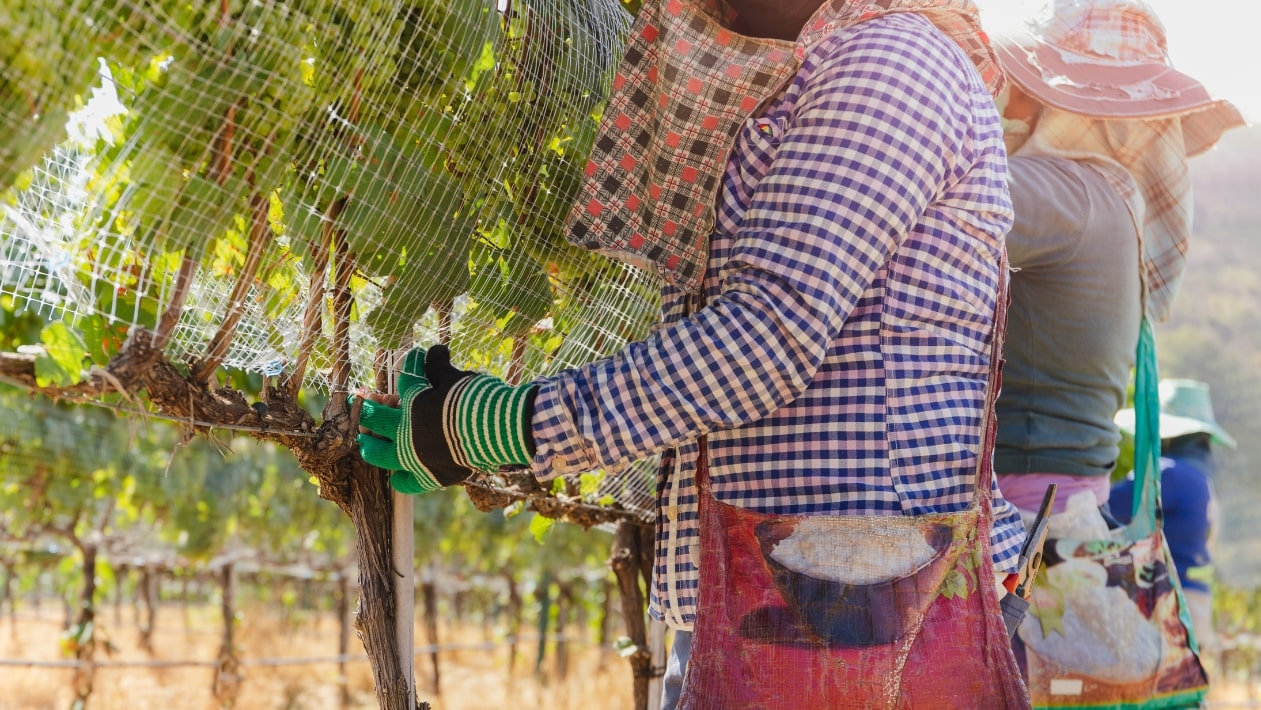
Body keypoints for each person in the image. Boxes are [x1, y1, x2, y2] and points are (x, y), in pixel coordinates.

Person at [355, 0, 1029, 705]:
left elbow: (765, 336)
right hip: (812, 602)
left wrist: (503, 426)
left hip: (863, 614)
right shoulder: (833, 66)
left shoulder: (888, 66)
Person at [991, 0, 1243, 523]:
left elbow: (938, 202)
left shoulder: (1061, 194)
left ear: (1064, 103)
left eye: (1027, 83)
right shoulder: (1109, 198)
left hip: (1023, 509)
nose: (1008, 94)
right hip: (1068, 500)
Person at [1111, 378, 1234, 675]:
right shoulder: (1203, 480)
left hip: (1167, 606)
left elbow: (1106, 506)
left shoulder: (1170, 474)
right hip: (1196, 604)